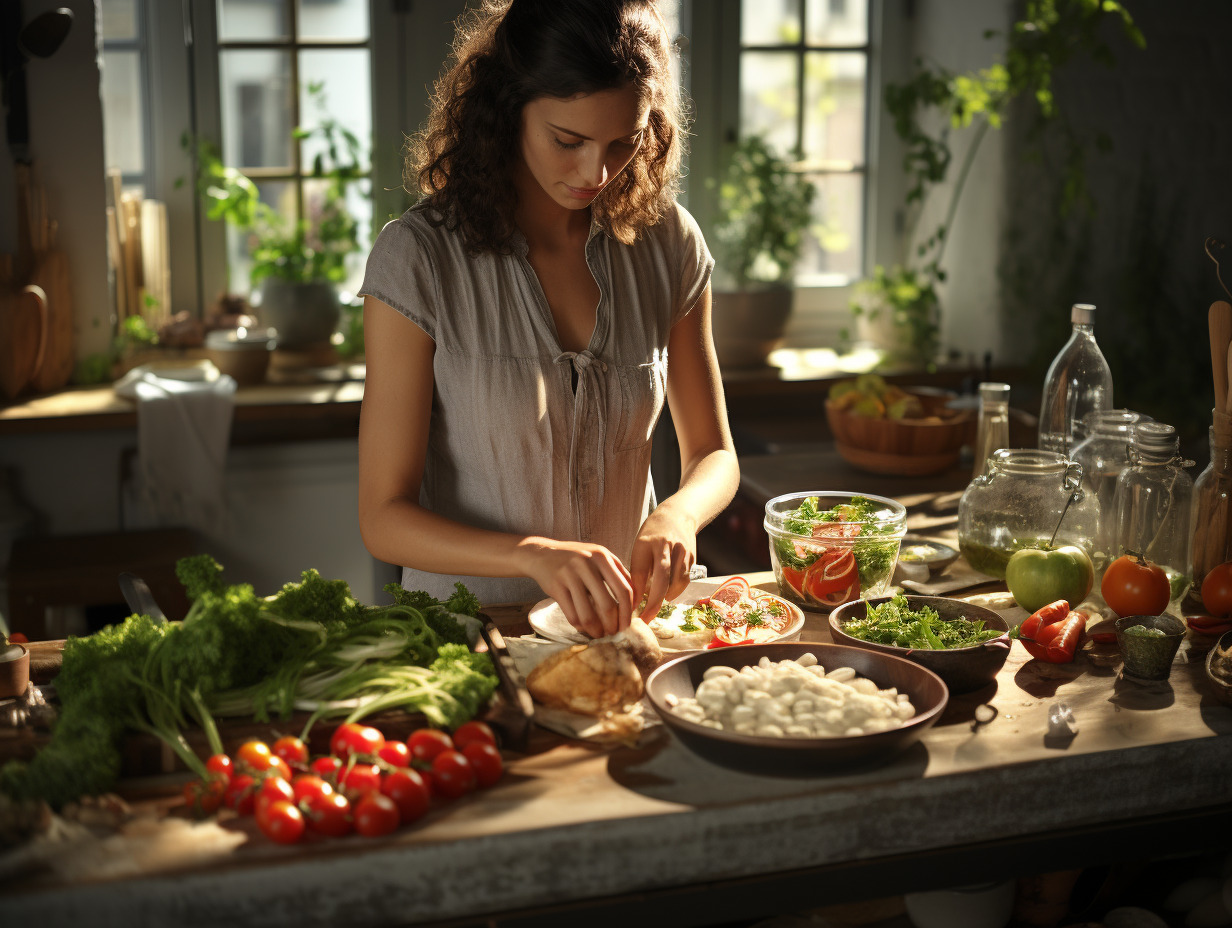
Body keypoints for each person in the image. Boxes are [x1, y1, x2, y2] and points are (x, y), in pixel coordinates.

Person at [357, 0, 739, 639]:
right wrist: (531, 554)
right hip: (469, 634)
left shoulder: (667, 243)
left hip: (625, 634)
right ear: (508, 110)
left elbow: (714, 453)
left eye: (625, 140)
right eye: (569, 140)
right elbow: (383, 518)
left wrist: (677, 515)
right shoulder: (418, 257)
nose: (598, 171)